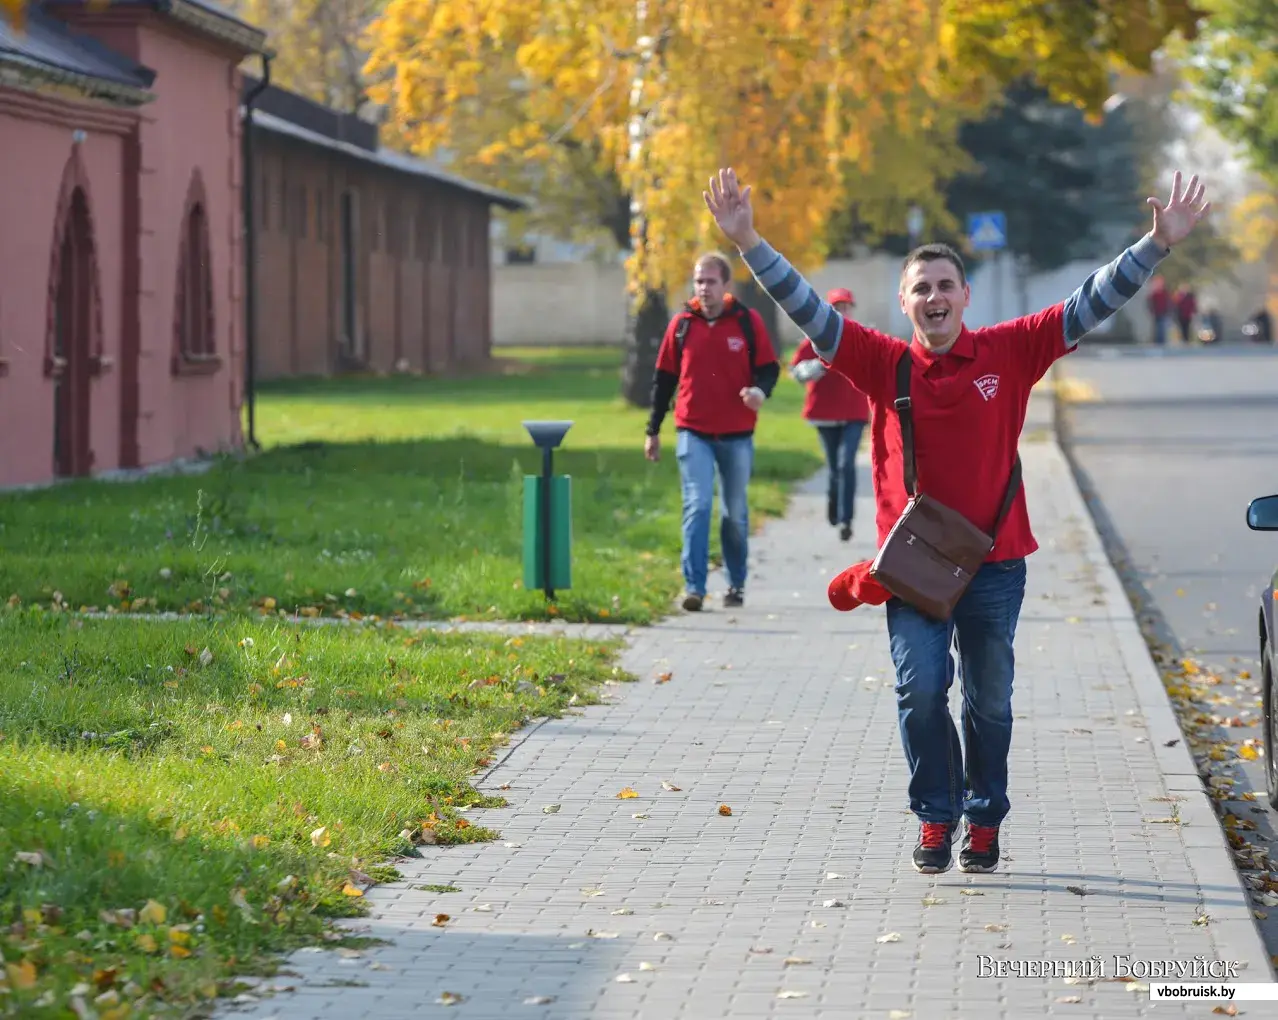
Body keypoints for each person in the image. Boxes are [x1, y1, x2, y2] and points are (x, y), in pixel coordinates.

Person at [703, 166, 1210, 875]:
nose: (934, 297)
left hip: (996, 565)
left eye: (946, 285)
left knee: (990, 702)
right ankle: (936, 816)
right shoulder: (881, 362)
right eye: (921, 288)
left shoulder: (1009, 350)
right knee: (919, 690)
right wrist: (749, 241)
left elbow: (1086, 304)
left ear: (964, 297)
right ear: (904, 303)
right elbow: (810, 311)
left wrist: (1155, 245)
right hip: (912, 569)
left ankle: (985, 816)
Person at [645, 252, 779, 612]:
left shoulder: (747, 322)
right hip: (694, 431)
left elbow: (769, 369)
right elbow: (664, 380)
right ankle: (695, 587)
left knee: (734, 513)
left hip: (737, 434)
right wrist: (653, 429)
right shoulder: (682, 324)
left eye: (710, 281)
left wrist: (759, 392)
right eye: (698, 281)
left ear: (726, 285)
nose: (703, 288)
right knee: (698, 505)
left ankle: (735, 583)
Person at [790, 287, 871, 541]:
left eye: (846, 306)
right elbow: (796, 372)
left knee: (847, 464)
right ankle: (833, 501)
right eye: (837, 307)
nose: (842, 311)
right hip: (824, 412)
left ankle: (847, 520)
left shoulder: (861, 336)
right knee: (835, 466)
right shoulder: (816, 337)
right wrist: (820, 366)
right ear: (828, 310)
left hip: (855, 412)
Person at [1147, 275, 1170, 345]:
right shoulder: (1154, 294)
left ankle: (1161, 341)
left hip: (1163, 312)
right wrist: (1151, 310)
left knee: (1162, 327)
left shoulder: (1164, 292)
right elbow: (1150, 302)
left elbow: (1167, 302)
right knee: (1157, 327)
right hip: (1156, 312)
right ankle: (1157, 341)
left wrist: (1167, 310)